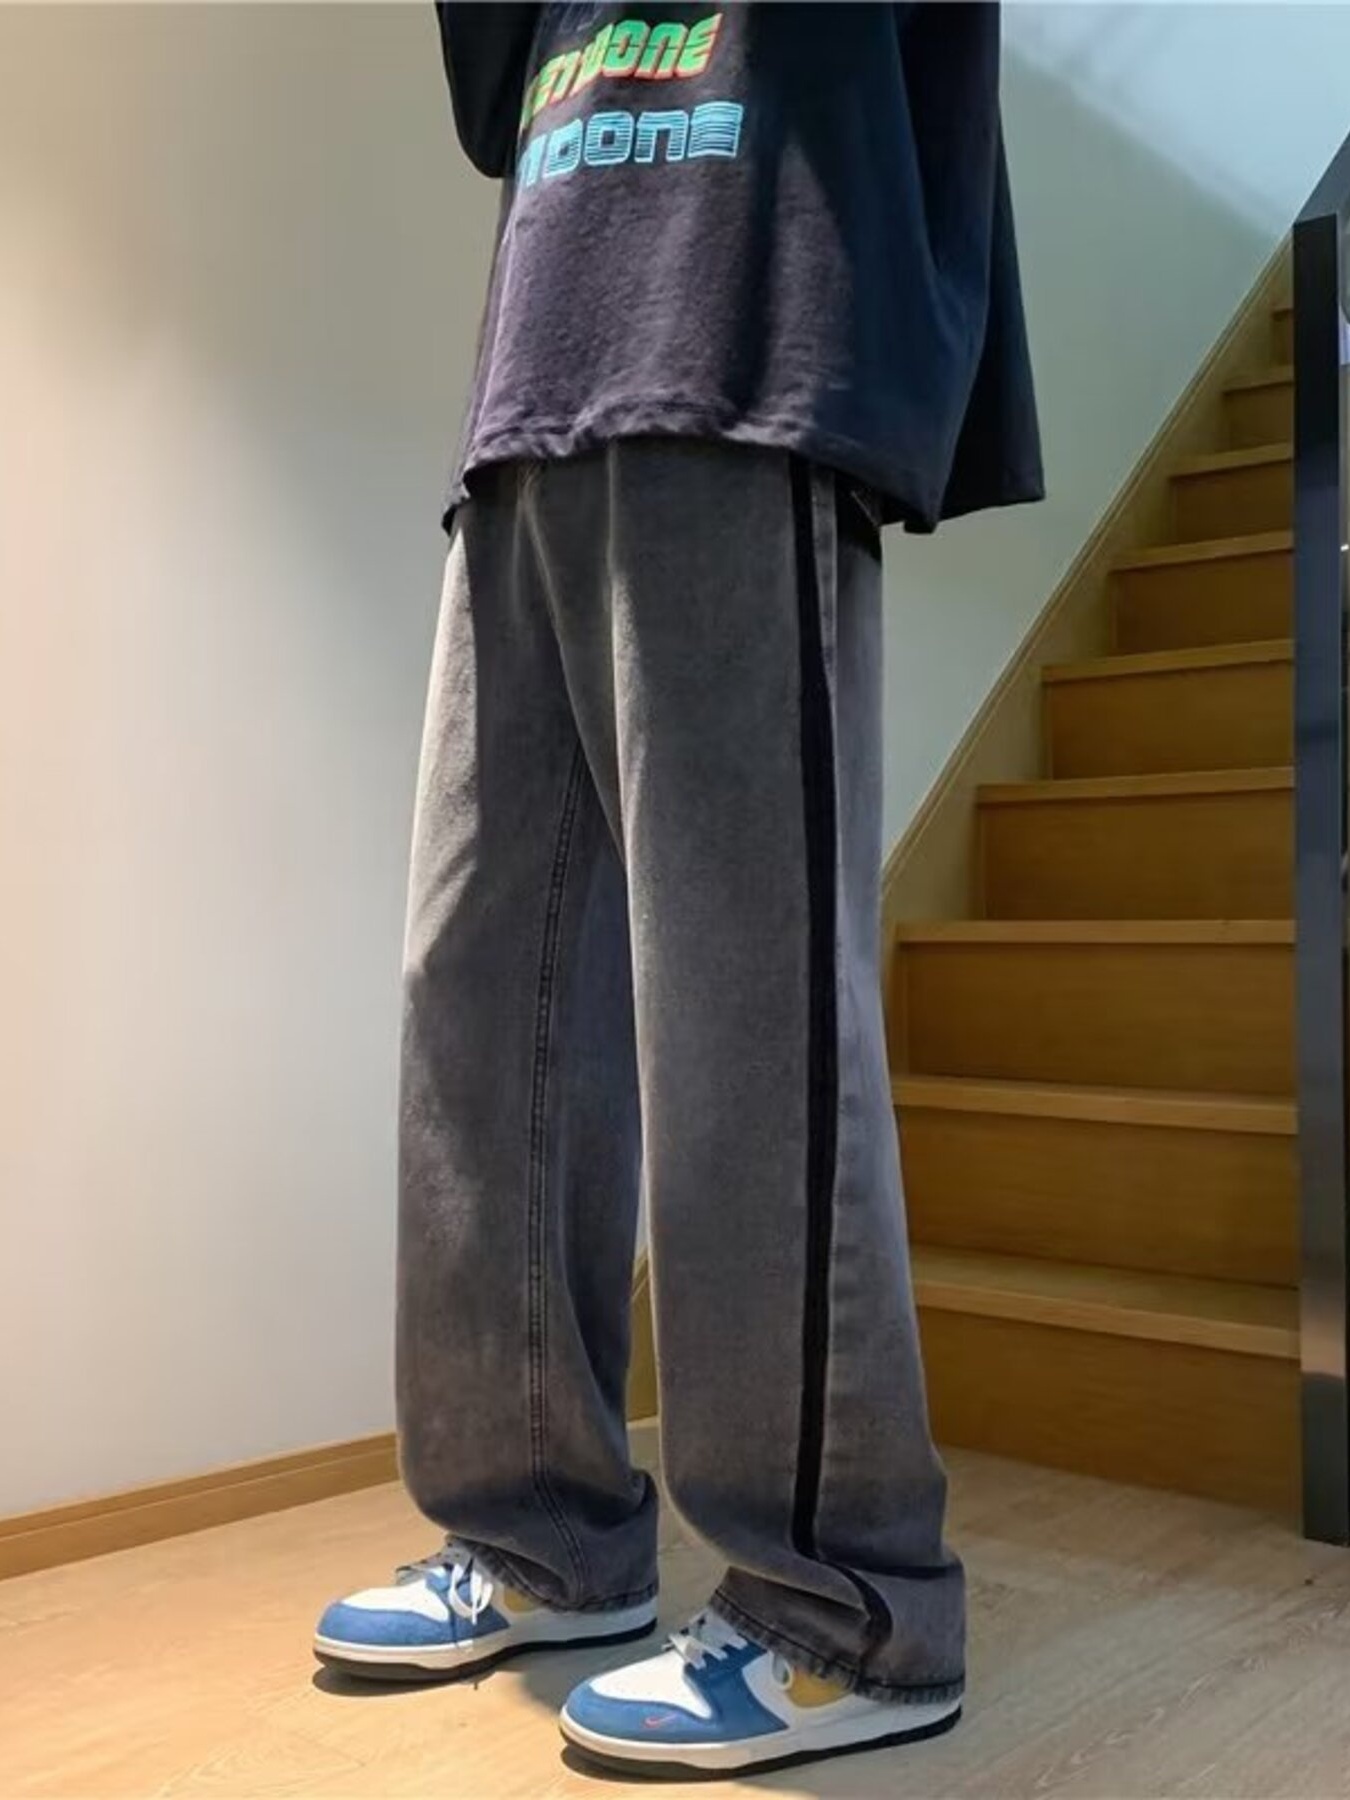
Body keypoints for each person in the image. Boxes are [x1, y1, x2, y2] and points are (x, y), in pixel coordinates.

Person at [314, 0, 1042, 1778]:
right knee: (478, 1001)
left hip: (746, 331)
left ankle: (844, 1608)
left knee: (743, 1002)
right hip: (536, 380)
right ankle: (540, 1530)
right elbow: (495, 101)